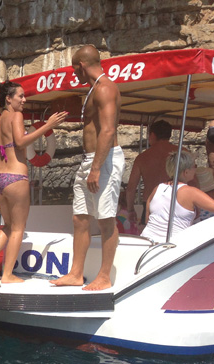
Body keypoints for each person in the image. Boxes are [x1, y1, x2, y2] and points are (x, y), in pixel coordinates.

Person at [0, 82, 68, 283]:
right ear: (8, 99)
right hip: (15, 178)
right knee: (18, 228)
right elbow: (20, 142)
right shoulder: (17, 116)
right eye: (20, 96)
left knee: (8, 226)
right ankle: (7, 274)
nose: (24, 100)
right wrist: (48, 126)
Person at [53, 45, 123, 291]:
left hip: (103, 161)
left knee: (105, 219)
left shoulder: (105, 88)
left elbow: (108, 130)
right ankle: (76, 273)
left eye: (75, 70)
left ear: (81, 66)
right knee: (80, 218)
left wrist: (96, 168)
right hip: (90, 160)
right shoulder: (93, 89)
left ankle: (104, 276)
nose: (75, 75)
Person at [140, 150, 214, 242]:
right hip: (173, 244)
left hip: (147, 240)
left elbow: (148, 219)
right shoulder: (190, 192)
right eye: (194, 166)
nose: (196, 170)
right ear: (186, 172)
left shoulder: (157, 189)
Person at [123, 120, 177, 228]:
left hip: (151, 204)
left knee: (150, 236)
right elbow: (193, 181)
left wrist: (130, 210)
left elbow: (131, 188)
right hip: (176, 202)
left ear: (152, 135)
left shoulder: (142, 158)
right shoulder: (181, 153)